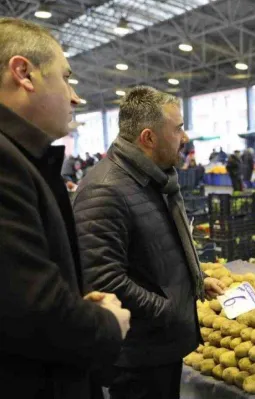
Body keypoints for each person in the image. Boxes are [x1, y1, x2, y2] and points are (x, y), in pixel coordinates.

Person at [0, 17, 129, 399]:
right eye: (65, 77)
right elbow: (33, 312)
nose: (75, 97)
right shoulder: (5, 163)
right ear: (24, 73)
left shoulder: (23, 160)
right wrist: (107, 323)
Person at [72, 86, 226, 399]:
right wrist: (169, 309)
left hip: (161, 346)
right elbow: (101, 279)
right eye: (178, 128)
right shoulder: (105, 189)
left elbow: (153, 251)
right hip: (138, 356)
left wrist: (193, 280)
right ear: (148, 138)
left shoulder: (152, 179)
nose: (184, 137)